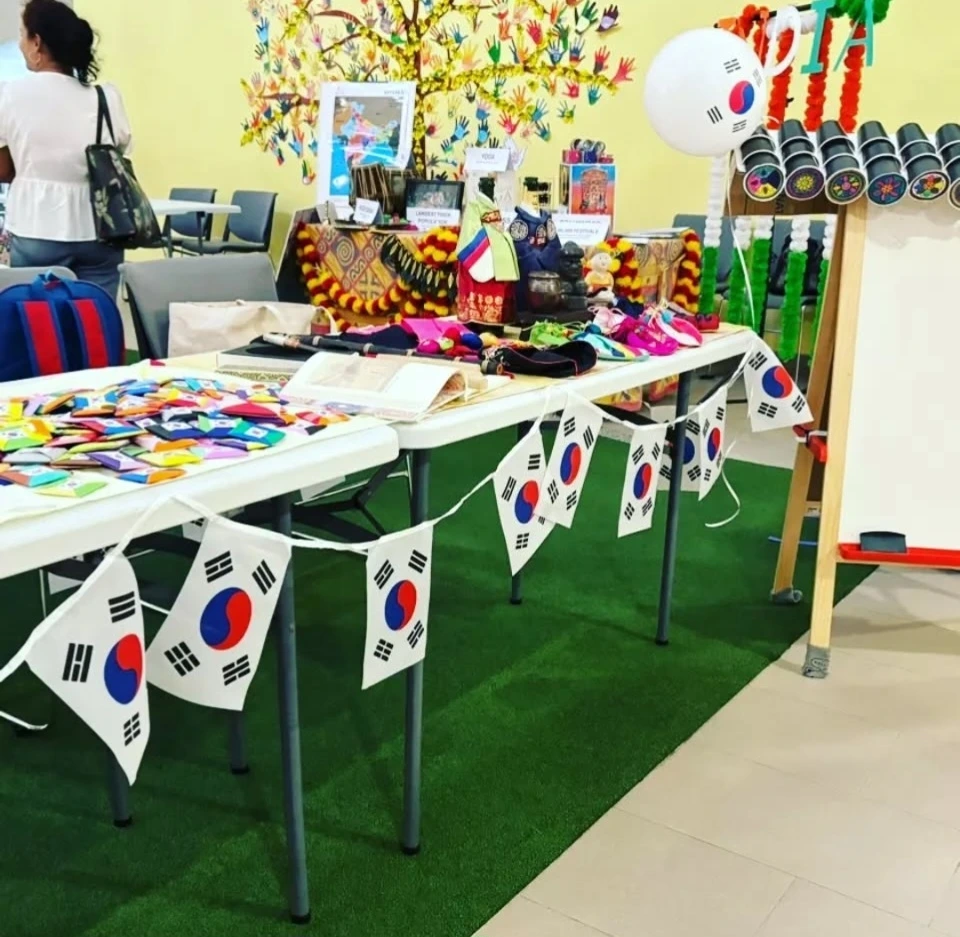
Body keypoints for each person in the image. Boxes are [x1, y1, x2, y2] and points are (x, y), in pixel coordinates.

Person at [0, 0, 132, 299]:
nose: (20, 44)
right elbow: (118, 154)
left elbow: (4, 170)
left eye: (22, 34)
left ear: (36, 43)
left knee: (40, 318)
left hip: (36, 224)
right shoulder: (106, 97)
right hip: (103, 228)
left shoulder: (10, 95)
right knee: (96, 315)